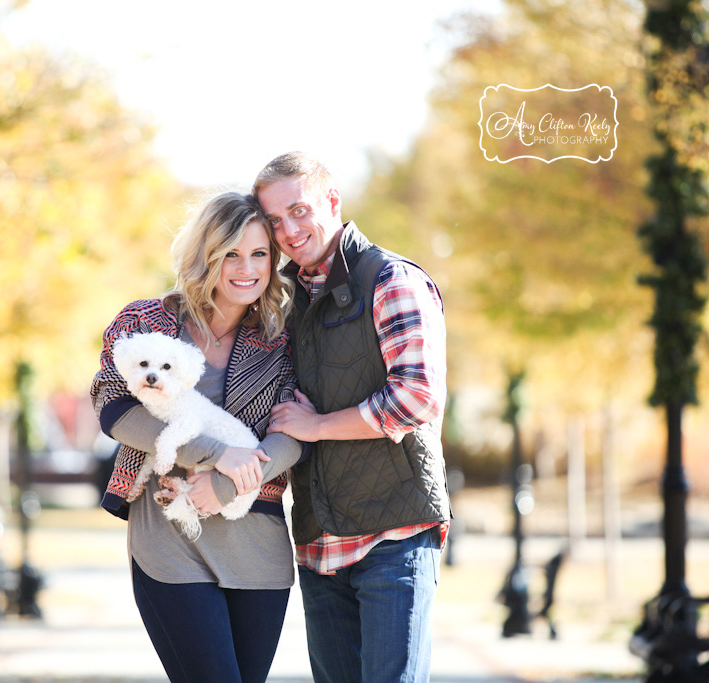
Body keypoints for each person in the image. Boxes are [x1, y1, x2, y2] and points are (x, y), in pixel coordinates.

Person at [90, 190, 304, 683]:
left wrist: (227, 483)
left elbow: (292, 434)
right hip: (168, 537)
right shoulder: (143, 322)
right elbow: (114, 407)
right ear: (205, 253)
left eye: (259, 254)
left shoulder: (282, 342)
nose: (246, 267)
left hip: (257, 541)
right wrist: (214, 452)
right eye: (230, 252)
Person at [255, 151, 451, 683]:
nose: (289, 231)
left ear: (333, 202)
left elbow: (417, 397)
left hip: (395, 537)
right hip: (319, 543)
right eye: (274, 221)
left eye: (299, 210)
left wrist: (317, 426)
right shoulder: (286, 302)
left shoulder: (390, 280)